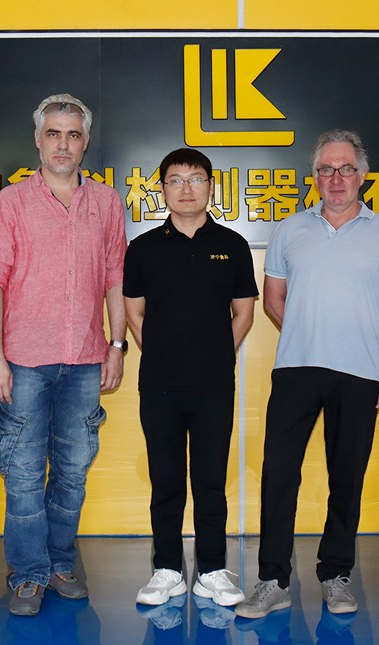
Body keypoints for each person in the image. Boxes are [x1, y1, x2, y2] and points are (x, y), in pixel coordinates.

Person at [236, 130, 379, 618]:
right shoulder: (290, 230)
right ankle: (273, 580)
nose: (336, 178)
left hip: (360, 373)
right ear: (314, 177)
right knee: (278, 474)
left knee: (346, 476)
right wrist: (308, 327)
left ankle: (336, 575)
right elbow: (274, 299)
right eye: (326, 170)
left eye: (346, 169)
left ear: (363, 175)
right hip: (295, 368)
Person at [0, 93, 128, 617]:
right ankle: (28, 573)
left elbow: (116, 278)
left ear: (85, 142)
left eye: (73, 135)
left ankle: (61, 563)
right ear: (38, 140)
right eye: (53, 134)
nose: (63, 144)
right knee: (21, 473)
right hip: (23, 360)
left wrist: (117, 345)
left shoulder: (107, 203)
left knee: (72, 470)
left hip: (86, 360)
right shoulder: (10, 204)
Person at [123, 148, 258, 608]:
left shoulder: (233, 245)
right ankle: (167, 569)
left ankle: (212, 570)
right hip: (159, 384)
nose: (186, 188)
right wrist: (165, 353)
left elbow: (244, 314)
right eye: (176, 180)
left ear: (210, 187)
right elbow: (134, 313)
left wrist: (216, 354)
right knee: (165, 481)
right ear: (162, 189)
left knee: (210, 481)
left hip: (214, 385)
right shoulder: (143, 248)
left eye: (196, 179)